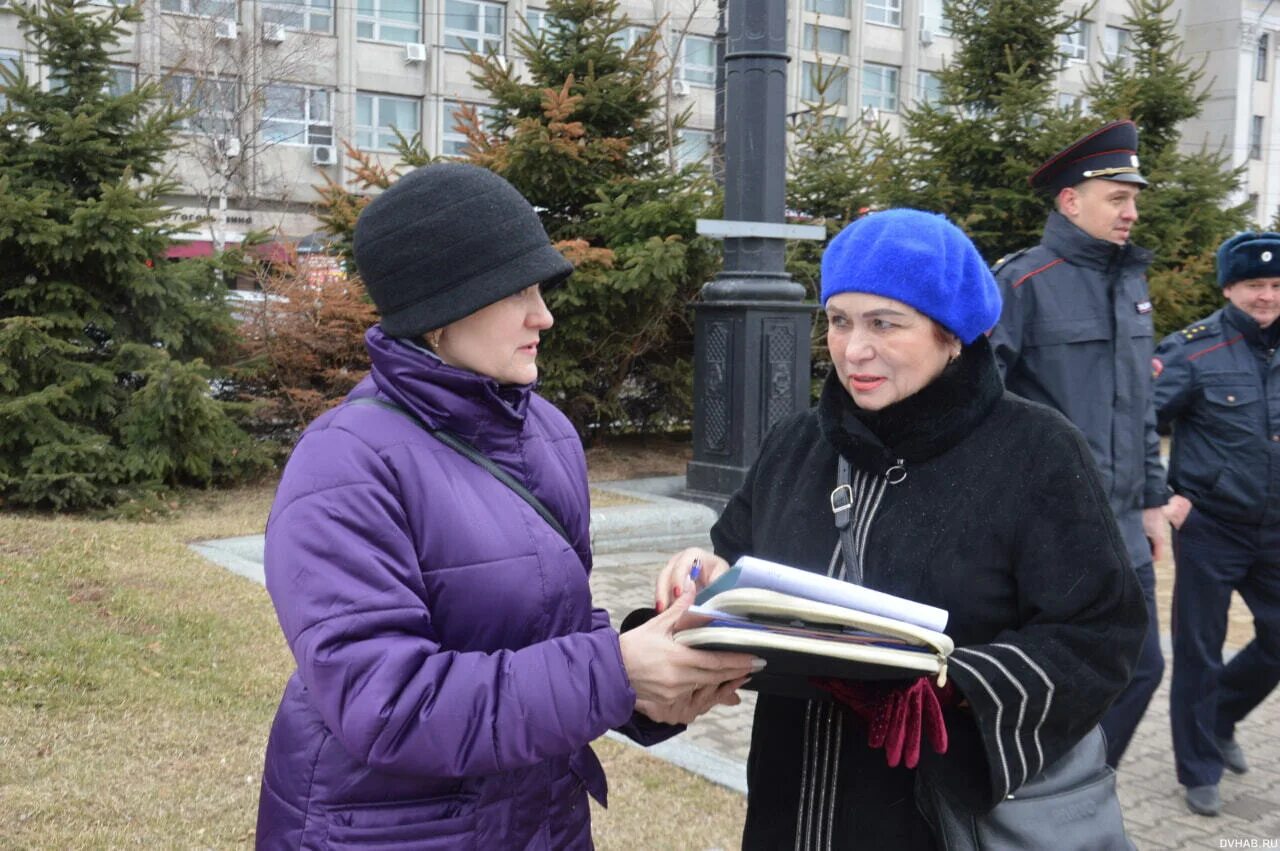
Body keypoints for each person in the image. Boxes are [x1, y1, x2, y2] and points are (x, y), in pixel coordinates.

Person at [254, 163, 758, 849]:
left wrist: (661, 660)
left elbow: (553, 634)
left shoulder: (546, 433)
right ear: (438, 314)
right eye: (516, 289)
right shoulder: (342, 462)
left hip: (539, 821)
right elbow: (385, 703)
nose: (543, 314)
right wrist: (614, 671)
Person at [655, 209, 1147, 849]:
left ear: (953, 335)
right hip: (792, 803)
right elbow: (738, 570)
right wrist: (704, 576)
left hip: (937, 817)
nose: (854, 349)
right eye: (839, 321)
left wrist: (962, 692)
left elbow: (1099, 630)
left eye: (885, 323)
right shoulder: (797, 442)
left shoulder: (1039, 451)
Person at [989, 119, 1167, 768]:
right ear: (1072, 200)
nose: (1132, 210)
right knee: (1059, 675)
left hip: (1123, 524)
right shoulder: (1020, 283)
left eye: (1133, 197)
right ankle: (1037, 791)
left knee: (1141, 668)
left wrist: (1153, 500)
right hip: (1054, 528)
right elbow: (975, 404)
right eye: (1118, 197)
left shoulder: (1130, 285)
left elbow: (1138, 405)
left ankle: (1072, 783)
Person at [1153, 231, 1280, 817]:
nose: (1267, 295)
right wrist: (1164, 494)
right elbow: (1138, 419)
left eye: (1277, 285)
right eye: (1255, 284)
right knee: (1199, 651)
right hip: (1211, 527)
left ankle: (1222, 713)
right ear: (1230, 287)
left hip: (1276, 528)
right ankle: (1199, 766)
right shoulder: (1191, 349)